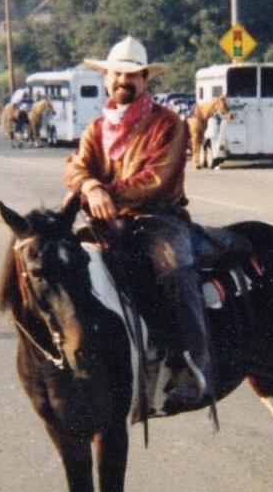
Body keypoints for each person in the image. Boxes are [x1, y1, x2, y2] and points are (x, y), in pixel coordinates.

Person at [64, 35, 210, 406]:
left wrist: (102, 193)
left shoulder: (169, 124)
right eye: (116, 75)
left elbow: (155, 180)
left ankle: (191, 365)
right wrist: (90, 185)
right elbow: (76, 165)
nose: (122, 82)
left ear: (146, 80)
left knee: (174, 269)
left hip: (158, 218)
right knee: (62, 266)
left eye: (131, 76)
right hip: (108, 221)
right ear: (106, 79)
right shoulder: (97, 128)